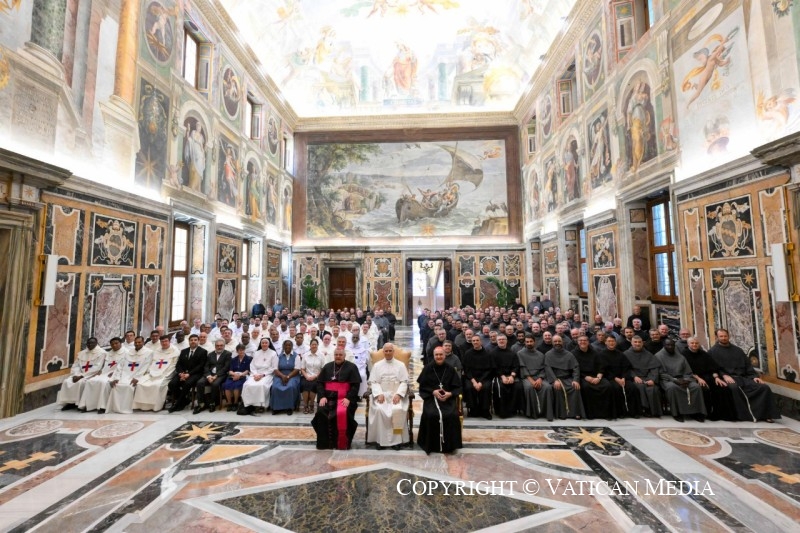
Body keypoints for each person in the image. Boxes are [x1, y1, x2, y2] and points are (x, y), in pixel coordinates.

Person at [708, 329, 780, 422]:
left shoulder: (737, 350)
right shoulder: (712, 352)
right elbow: (713, 368)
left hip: (743, 378)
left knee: (763, 387)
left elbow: (748, 366)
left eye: (725, 336)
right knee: (734, 388)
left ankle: (766, 415)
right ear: (717, 337)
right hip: (727, 378)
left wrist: (755, 377)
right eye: (721, 336)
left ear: (728, 336)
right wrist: (724, 375)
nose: (724, 338)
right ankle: (744, 415)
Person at [312, 348, 361, 450]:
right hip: (328, 398)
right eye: (336, 355)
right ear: (334, 355)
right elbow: (320, 383)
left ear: (344, 356)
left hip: (344, 398)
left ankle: (342, 443)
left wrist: (349, 398)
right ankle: (324, 443)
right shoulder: (327, 366)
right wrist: (322, 397)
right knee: (321, 412)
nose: (338, 356)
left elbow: (355, 386)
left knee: (343, 412)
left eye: (340, 355)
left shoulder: (352, 367)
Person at [417, 346, 463, 454]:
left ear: (444, 355)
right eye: (436, 355)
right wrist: (433, 391)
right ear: (433, 356)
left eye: (440, 354)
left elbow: (458, 387)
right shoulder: (428, 368)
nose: (438, 357)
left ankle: (450, 445)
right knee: (431, 414)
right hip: (431, 399)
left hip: (448, 399)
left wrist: (450, 393)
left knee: (451, 415)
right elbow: (422, 387)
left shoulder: (450, 369)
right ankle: (431, 445)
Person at [367, 343, 410, 450]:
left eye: (390, 351)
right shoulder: (377, 366)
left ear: (393, 352)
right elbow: (374, 382)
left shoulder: (400, 365)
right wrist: (379, 394)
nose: (388, 353)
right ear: (383, 352)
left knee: (398, 409)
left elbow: (404, 382)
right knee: (380, 410)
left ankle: (397, 441)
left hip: (396, 395)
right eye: (386, 351)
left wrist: (399, 394)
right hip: (382, 395)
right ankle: (380, 440)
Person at [683, 337, 736, 421]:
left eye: (696, 343)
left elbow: (713, 367)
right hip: (694, 377)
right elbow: (686, 370)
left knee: (723, 388)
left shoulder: (704, 354)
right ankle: (703, 413)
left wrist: (717, 377)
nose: (694, 345)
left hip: (708, 376)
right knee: (705, 390)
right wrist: (698, 379)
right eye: (692, 343)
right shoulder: (684, 354)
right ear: (688, 344)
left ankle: (720, 414)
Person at [654, 339, 707, 422]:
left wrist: (686, 379)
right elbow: (661, 374)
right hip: (667, 380)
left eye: (672, 345)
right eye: (668, 345)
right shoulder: (658, 356)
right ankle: (676, 413)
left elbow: (688, 371)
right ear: (664, 346)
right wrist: (674, 380)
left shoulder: (680, 356)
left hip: (683, 378)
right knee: (673, 388)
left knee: (696, 387)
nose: (670, 347)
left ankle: (696, 412)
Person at [105, 337, 153, 414]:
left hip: (137, 375)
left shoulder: (149, 352)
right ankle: (116, 408)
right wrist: (117, 377)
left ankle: (126, 408)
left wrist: (137, 378)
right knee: (116, 385)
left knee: (129, 386)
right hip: (125, 374)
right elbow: (120, 366)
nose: (137, 344)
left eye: (139, 342)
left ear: (143, 342)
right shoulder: (129, 352)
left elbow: (145, 367)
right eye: (136, 342)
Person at [78, 337, 127, 413]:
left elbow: (125, 366)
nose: (114, 345)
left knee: (104, 383)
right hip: (105, 373)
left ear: (121, 343)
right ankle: (88, 405)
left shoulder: (126, 353)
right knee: (90, 381)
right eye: (112, 344)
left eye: (116, 343)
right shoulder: (109, 353)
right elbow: (104, 365)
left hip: (117, 374)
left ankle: (103, 406)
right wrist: (100, 372)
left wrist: (115, 373)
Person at [571, 335, 614, 420]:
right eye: (581, 340)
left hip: (596, 376)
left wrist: (599, 376)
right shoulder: (573, 353)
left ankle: (605, 413)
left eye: (585, 340)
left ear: (588, 342)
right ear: (578, 342)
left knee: (607, 386)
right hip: (583, 377)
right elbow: (574, 368)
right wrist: (585, 377)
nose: (583, 342)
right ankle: (590, 414)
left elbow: (601, 365)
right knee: (586, 387)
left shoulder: (595, 352)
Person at [133, 335, 180, 411]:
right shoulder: (157, 351)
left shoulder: (175, 351)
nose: (164, 343)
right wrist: (150, 372)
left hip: (166, 374)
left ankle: (155, 406)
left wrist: (164, 375)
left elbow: (174, 365)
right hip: (152, 372)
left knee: (157, 385)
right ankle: (142, 405)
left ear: (169, 341)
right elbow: (152, 362)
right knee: (140, 384)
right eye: (162, 342)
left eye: (166, 341)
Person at [57, 337, 107, 410]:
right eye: (88, 343)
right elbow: (75, 365)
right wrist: (75, 375)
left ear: (96, 343)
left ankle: (79, 403)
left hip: (91, 374)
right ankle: (69, 402)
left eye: (92, 343)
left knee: (81, 383)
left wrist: (81, 376)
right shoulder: (82, 353)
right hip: (78, 374)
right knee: (66, 382)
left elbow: (97, 367)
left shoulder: (102, 353)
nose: (90, 345)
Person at [545, 335, 585, 420]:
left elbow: (575, 368)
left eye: (559, 341)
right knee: (557, 389)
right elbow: (548, 369)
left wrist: (575, 380)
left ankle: (576, 413)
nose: (557, 343)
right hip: (556, 379)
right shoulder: (548, 354)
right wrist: (555, 380)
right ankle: (561, 413)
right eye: (555, 341)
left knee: (575, 387)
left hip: (568, 378)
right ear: (552, 343)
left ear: (562, 342)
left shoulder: (569, 354)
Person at [600, 335, 641, 418]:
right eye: (609, 341)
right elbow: (604, 370)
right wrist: (615, 378)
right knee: (616, 388)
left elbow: (626, 367)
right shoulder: (601, 354)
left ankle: (633, 412)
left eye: (613, 341)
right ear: (605, 342)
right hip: (610, 378)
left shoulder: (620, 354)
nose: (611, 343)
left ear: (616, 343)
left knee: (632, 388)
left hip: (622, 377)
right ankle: (620, 412)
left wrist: (623, 377)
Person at [517, 334, 553, 420]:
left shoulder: (540, 354)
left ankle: (546, 413)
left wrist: (540, 379)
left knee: (547, 387)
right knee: (529, 388)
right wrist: (531, 380)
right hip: (527, 377)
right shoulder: (520, 353)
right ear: (525, 343)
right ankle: (533, 413)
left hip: (539, 377)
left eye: (531, 341)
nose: (529, 343)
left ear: (534, 342)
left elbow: (544, 368)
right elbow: (522, 368)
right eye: (527, 342)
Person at [167, 334, 207, 412]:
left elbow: (200, 366)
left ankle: (178, 404)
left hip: (195, 374)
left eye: (195, 340)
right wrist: (181, 373)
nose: (193, 342)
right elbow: (178, 364)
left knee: (187, 384)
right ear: (188, 341)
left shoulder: (203, 352)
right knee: (171, 384)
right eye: (191, 340)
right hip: (182, 373)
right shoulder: (184, 351)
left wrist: (189, 374)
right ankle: (184, 400)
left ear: (198, 341)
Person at [624, 336, 663, 417]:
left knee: (653, 389)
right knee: (640, 387)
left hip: (648, 377)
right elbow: (626, 369)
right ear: (631, 343)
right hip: (634, 378)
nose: (637, 344)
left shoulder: (648, 354)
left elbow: (654, 368)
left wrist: (652, 379)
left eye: (639, 342)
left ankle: (654, 411)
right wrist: (634, 376)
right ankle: (644, 409)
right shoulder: (626, 354)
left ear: (642, 343)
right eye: (635, 342)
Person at [241, 338, 278, 413]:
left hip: (267, 374)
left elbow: (274, 367)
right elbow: (252, 365)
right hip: (255, 373)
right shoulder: (256, 353)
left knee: (261, 385)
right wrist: (255, 374)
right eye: (262, 343)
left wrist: (262, 375)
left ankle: (261, 405)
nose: (264, 344)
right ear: (260, 344)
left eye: (266, 343)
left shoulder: (273, 353)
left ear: (269, 344)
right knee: (247, 384)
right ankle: (248, 405)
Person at [194, 339, 231, 413]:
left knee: (215, 384)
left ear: (224, 346)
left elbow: (226, 367)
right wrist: (208, 376)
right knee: (199, 383)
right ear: (215, 346)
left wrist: (216, 376)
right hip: (210, 374)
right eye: (217, 346)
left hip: (221, 375)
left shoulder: (228, 354)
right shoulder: (210, 354)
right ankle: (201, 403)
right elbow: (206, 367)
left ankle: (212, 403)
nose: (219, 347)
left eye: (221, 345)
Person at [462, 334, 494, 419]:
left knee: (486, 387)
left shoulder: (487, 353)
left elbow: (489, 369)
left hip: (485, 377)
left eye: (477, 340)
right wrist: (474, 381)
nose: (475, 342)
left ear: (481, 341)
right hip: (471, 377)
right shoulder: (468, 353)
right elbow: (466, 370)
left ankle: (485, 411)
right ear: (471, 342)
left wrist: (480, 382)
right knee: (469, 388)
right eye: (473, 341)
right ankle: (473, 410)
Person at [491, 334, 521, 418]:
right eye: (499, 339)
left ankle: (513, 410)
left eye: (503, 339)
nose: (501, 341)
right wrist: (503, 376)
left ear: (506, 341)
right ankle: (502, 412)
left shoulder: (512, 352)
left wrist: (512, 376)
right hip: (498, 376)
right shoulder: (493, 353)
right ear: (497, 341)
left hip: (511, 375)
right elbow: (494, 367)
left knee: (518, 386)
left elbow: (516, 365)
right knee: (501, 387)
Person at [272, 339, 301, 415]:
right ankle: (277, 408)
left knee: (290, 387)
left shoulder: (296, 356)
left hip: (293, 375)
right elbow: (275, 369)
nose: (287, 346)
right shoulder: (278, 356)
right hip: (280, 375)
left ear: (292, 347)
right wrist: (282, 376)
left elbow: (297, 369)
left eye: (289, 345)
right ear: (283, 346)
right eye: (286, 345)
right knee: (275, 387)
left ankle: (289, 407)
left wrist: (288, 376)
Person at [222, 344, 251, 411]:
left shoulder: (249, 359)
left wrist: (239, 375)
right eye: (239, 350)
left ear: (244, 350)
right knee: (227, 385)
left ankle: (235, 403)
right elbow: (230, 370)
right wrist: (234, 375)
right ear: (237, 351)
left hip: (243, 376)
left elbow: (247, 370)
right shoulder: (233, 359)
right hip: (233, 375)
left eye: (242, 350)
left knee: (236, 385)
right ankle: (229, 403)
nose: (241, 352)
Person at [300, 338, 325, 414]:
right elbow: (302, 369)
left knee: (313, 385)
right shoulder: (305, 355)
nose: (314, 346)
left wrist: (315, 376)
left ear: (317, 345)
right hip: (306, 376)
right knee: (304, 384)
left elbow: (322, 369)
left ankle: (311, 405)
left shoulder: (321, 355)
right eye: (312, 344)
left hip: (317, 376)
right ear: (310, 346)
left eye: (315, 344)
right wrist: (306, 376)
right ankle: (305, 405)